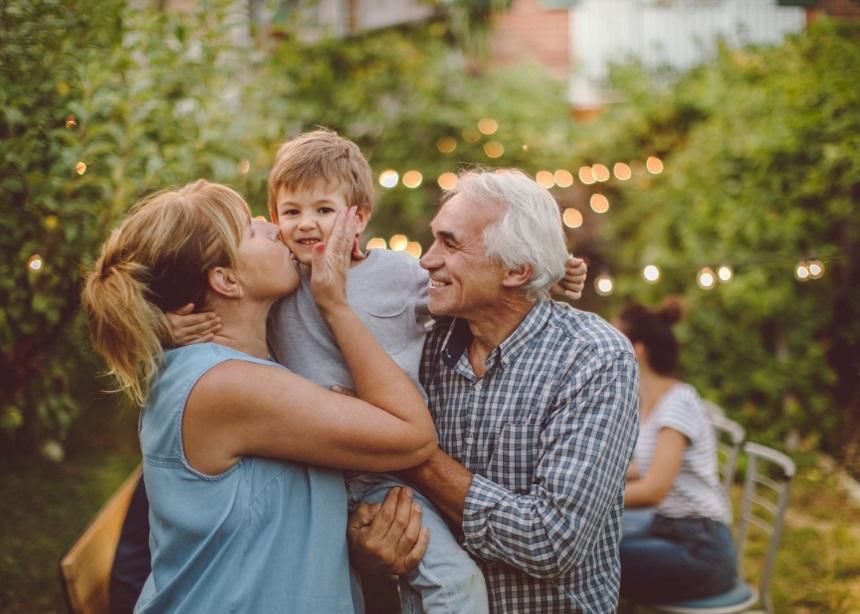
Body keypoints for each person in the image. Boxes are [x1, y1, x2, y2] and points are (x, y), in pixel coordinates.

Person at [83, 179, 438, 613]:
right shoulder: (226, 385)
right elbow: (413, 435)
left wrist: (357, 545)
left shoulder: (216, 368)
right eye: (250, 230)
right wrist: (334, 305)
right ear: (227, 280)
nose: (272, 228)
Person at [348, 169, 640, 613]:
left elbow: (551, 540)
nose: (426, 260)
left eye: (450, 244)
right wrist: (366, 544)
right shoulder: (419, 343)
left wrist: (401, 444)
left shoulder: (593, 357)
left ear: (518, 269)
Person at [614, 300, 736, 603]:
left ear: (637, 350)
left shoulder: (677, 403)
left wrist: (586, 498)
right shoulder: (652, 402)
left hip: (701, 549)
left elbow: (654, 489)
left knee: (589, 559)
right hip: (671, 531)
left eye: (613, 337)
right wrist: (593, 475)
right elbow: (643, 467)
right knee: (594, 546)